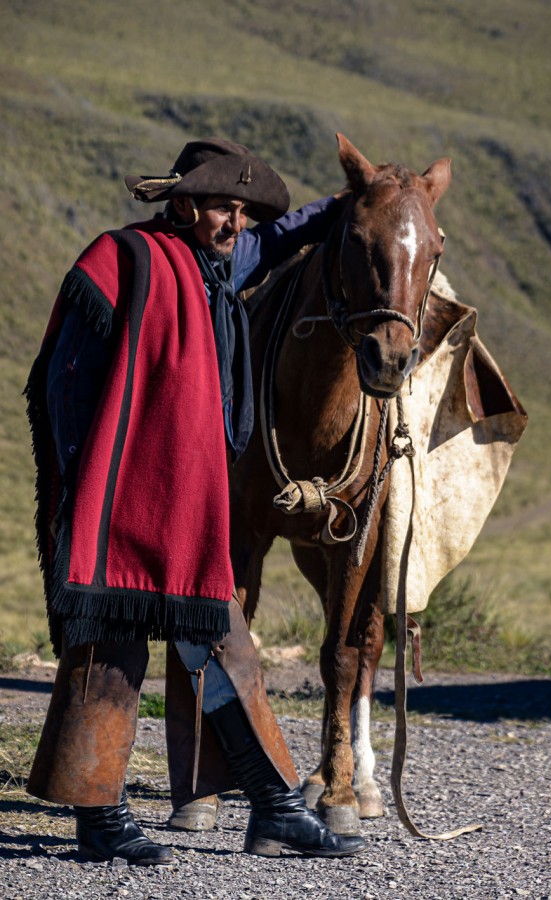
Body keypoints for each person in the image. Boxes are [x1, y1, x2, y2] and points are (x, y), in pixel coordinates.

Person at [25, 138, 365, 866]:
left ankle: (273, 813)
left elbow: (277, 238)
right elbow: (65, 380)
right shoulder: (122, 258)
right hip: (120, 493)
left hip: (190, 498)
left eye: (241, 209)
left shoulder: (221, 264)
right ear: (183, 204)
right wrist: (93, 483)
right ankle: (102, 820)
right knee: (109, 646)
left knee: (223, 640)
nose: (234, 221)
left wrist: (342, 207)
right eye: (221, 206)